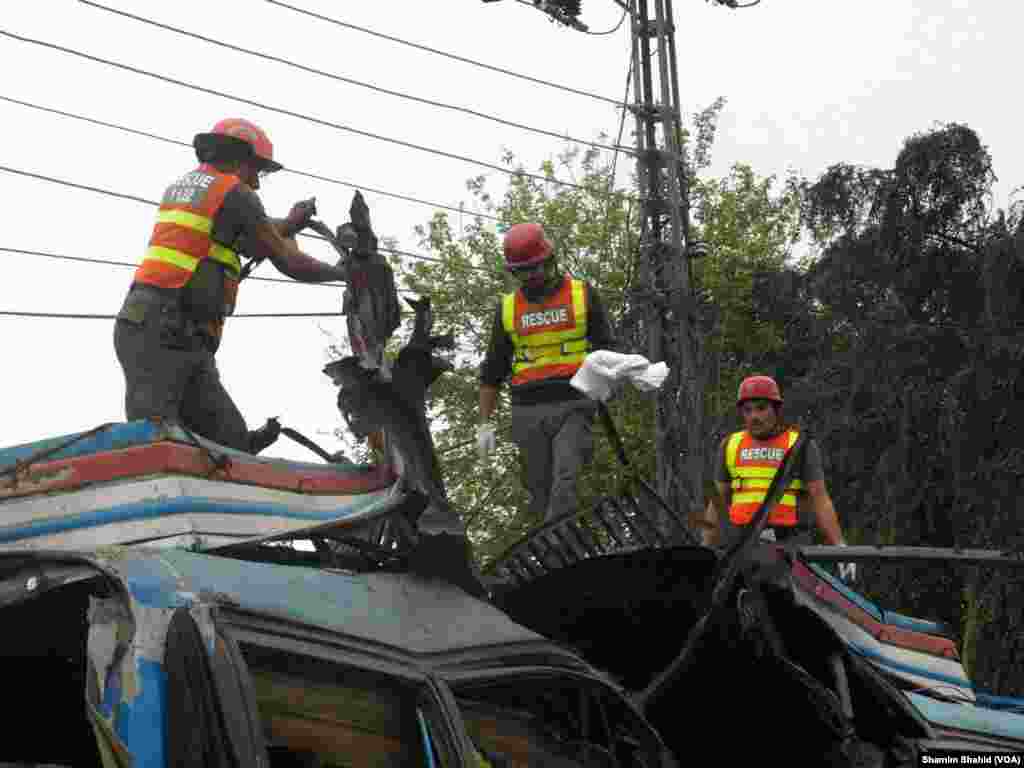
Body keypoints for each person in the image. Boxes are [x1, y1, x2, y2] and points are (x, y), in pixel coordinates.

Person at [113, 118, 351, 454]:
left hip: (170, 332)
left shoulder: (195, 188)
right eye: (258, 171)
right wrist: (347, 274)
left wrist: (290, 223)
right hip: (162, 331)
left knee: (229, 440)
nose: (257, 182)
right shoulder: (232, 191)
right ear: (241, 160)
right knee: (155, 443)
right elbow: (288, 260)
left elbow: (255, 232)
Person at [477, 222, 617, 524]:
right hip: (527, 411)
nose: (529, 277)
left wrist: (604, 382)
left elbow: (607, 347)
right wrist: (484, 424)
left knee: (564, 484)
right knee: (539, 493)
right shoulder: (508, 308)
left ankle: (559, 555)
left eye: (534, 269)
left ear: (549, 260)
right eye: (521, 272)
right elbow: (492, 371)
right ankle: (559, 554)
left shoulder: (581, 294)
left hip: (574, 403)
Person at [700, 375, 857, 581]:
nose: (754, 416)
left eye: (761, 408)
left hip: (789, 547)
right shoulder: (730, 445)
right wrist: (704, 551)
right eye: (747, 410)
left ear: (776, 410)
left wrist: (840, 548)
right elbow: (716, 502)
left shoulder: (800, 445)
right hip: (741, 547)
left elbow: (821, 499)